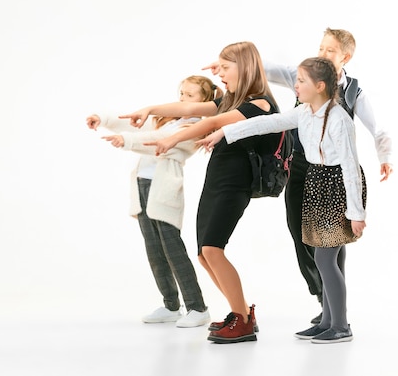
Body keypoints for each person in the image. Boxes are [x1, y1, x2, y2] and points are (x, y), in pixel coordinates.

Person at [203, 27, 392, 324]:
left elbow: (365, 146)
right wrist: (226, 126)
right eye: (321, 47)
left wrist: (383, 162)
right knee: (302, 234)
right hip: (303, 168)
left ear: (345, 57)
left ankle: (336, 318)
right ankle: (326, 303)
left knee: (329, 250)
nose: (296, 84)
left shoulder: (346, 105)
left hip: (334, 176)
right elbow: (270, 120)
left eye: (330, 50)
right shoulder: (305, 95)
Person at [120, 41, 280, 343]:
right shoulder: (231, 100)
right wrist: (150, 109)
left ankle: (242, 321)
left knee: (212, 250)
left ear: (244, 68)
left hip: (236, 182)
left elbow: (215, 122)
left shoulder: (259, 104)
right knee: (204, 255)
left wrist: (173, 139)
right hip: (217, 180)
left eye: (225, 67)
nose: (219, 73)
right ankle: (242, 311)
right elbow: (189, 108)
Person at [86, 76, 222, 328]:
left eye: (190, 96)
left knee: (173, 249)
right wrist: (102, 119)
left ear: (204, 101)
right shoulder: (166, 118)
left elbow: (157, 145)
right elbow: (132, 124)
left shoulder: (196, 128)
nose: (183, 99)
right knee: (154, 249)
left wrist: (126, 142)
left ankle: (197, 307)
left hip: (164, 189)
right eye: (182, 93)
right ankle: (171, 305)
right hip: (142, 185)